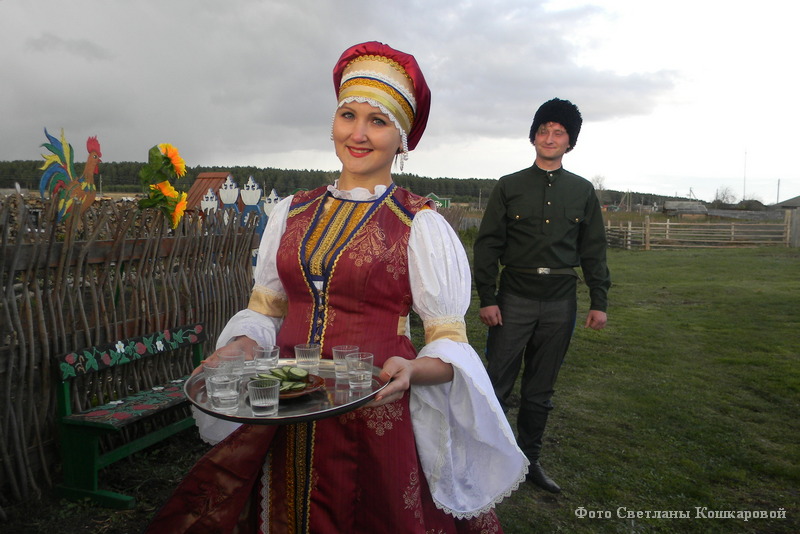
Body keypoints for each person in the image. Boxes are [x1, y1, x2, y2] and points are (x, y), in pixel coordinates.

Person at [148, 42, 527, 533]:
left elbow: (449, 344)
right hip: (284, 406)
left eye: (378, 121)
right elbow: (267, 309)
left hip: (374, 412)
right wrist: (241, 346)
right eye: (349, 115)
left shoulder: (420, 224)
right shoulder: (290, 212)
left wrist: (413, 370)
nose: (359, 133)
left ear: (402, 139)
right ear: (333, 123)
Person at [472, 98, 611, 494]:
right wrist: (487, 296)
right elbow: (488, 246)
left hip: (559, 301)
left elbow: (593, 250)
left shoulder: (583, 191)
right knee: (497, 381)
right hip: (513, 297)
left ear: (570, 142)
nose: (549, 138)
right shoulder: (509, 186)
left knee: (540, 389)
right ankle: (489, 457)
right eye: (543, 131)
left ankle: (529, 460)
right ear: (533, 136)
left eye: (559, 133)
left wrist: (599, 300)